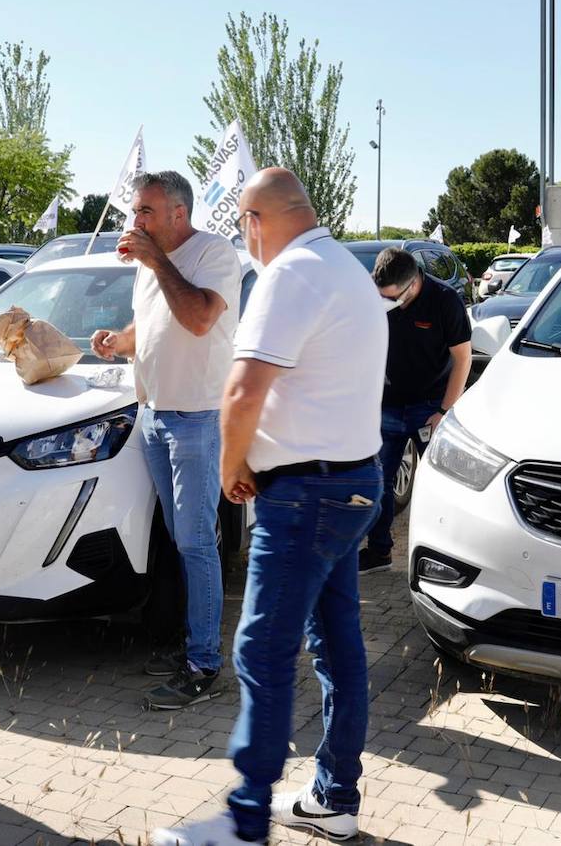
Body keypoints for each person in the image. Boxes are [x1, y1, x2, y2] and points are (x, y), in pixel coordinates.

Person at [152, 169, 386, 846]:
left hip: (306, 495)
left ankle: (245, 820)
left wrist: (233, 470)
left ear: (257, 221)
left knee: (261, 648)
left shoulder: (290, 274)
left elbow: (242, 390)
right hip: (352, 484)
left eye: (242, 227)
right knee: (338, 644)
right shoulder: (344, 267)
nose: (243, 241)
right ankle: (335, 798)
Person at [89, 171, 242, 711]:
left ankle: (204, 664)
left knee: (197, 542)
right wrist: (118, 341)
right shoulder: (151, 266)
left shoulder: (215, 254)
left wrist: (156, 260)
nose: (136, 222)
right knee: (182, 541)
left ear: (179, 213)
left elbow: (199, 318)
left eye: (146, 212)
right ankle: (189, 646)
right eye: (136, 212)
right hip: (153, 416)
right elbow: (151, 328)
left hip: (198, 418)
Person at [359, 246, 472, 574]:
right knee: (379, 483)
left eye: (393, 297)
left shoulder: (444, 300)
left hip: (429, 408)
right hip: (387, 405)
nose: (387, 303)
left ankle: (450, 560)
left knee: (444, 485)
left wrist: (444, 411)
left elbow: (463, 359)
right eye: (382, 296)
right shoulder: (374, 294)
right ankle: (379, 552)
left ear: (413, 284)